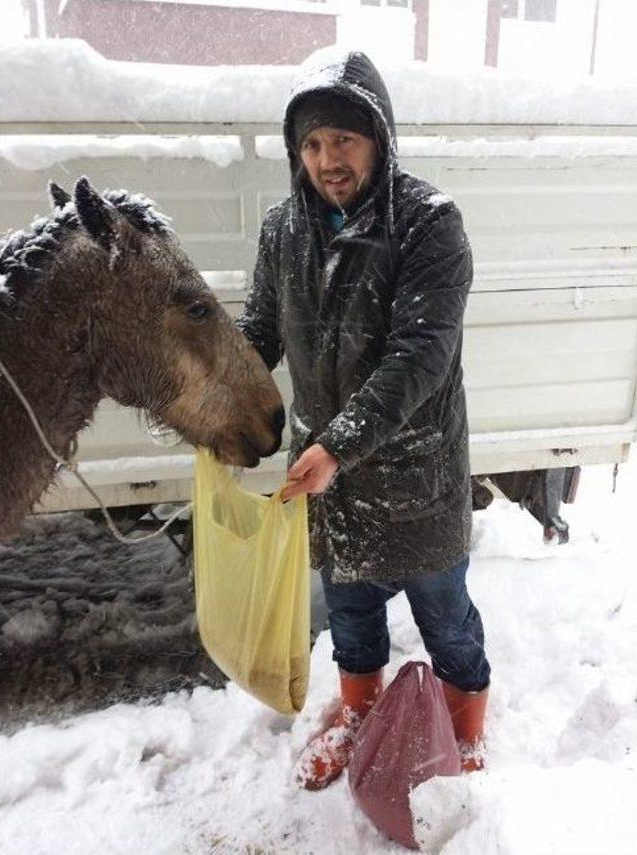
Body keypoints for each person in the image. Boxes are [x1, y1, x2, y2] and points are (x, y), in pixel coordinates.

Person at [237, 49, 490, 790]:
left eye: (344, 139)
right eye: (312, 144)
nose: (328, 159)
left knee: (444, 614)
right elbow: (257, 332)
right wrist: (217, 403)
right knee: (349, 614)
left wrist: (339, 444)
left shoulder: (428, 224)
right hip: (332, 481)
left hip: (419, 474)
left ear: (378, 137)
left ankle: (466, 718)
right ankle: (357, 709)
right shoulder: (284, 230)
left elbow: (421, 356)